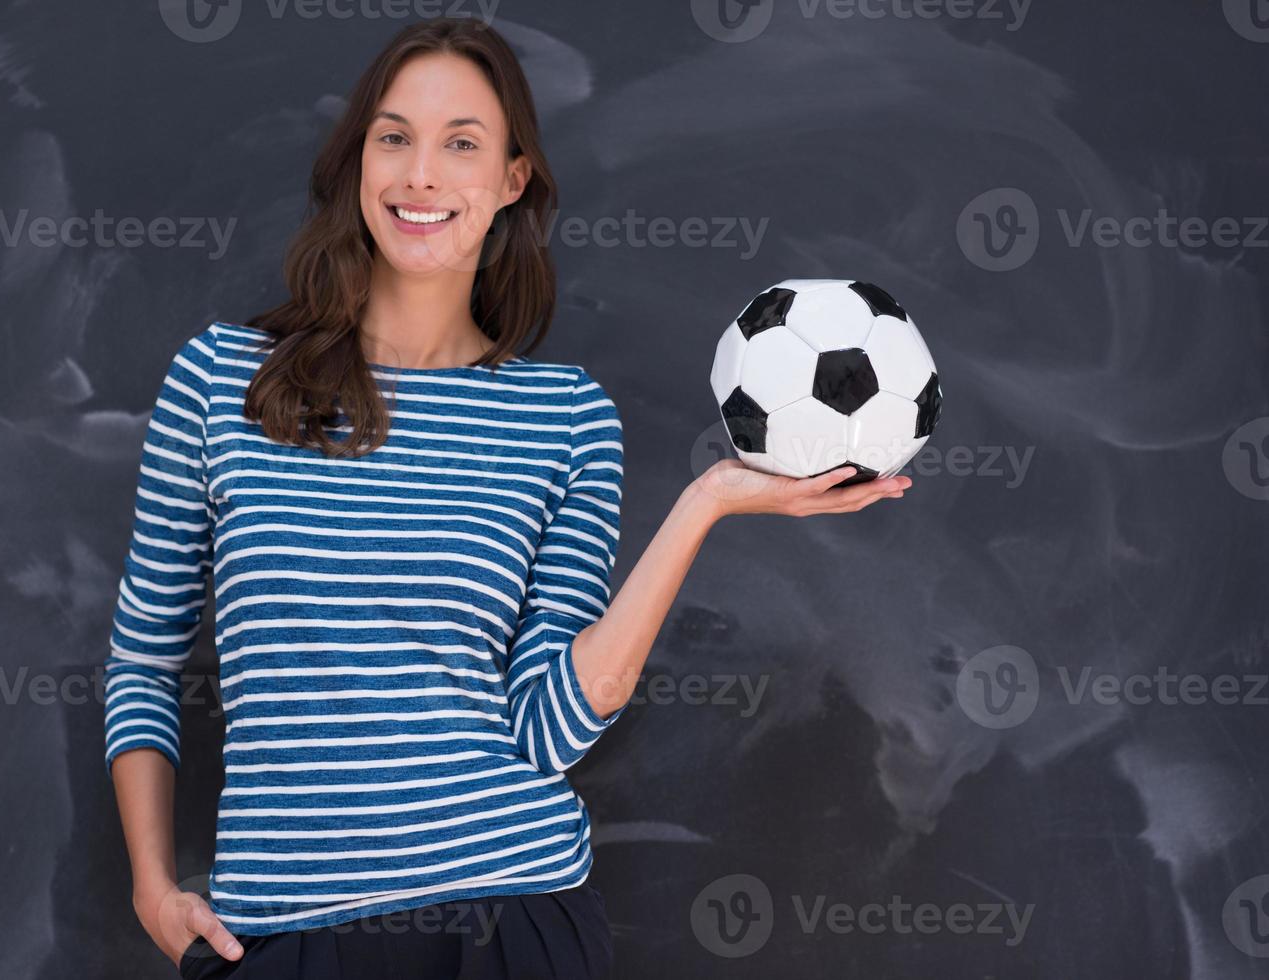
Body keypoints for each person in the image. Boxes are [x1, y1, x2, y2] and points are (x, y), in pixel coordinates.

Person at [104, 16, 910, 980]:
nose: (420, 177)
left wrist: (702, 505)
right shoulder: (220, 379)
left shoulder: (562, 417)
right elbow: (143, 661)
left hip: (505, 924)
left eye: (461, 144)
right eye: (394, 136)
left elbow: (550, 726)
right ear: (358, 157)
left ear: (511, 180)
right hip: (278, 935)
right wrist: (153, 887)